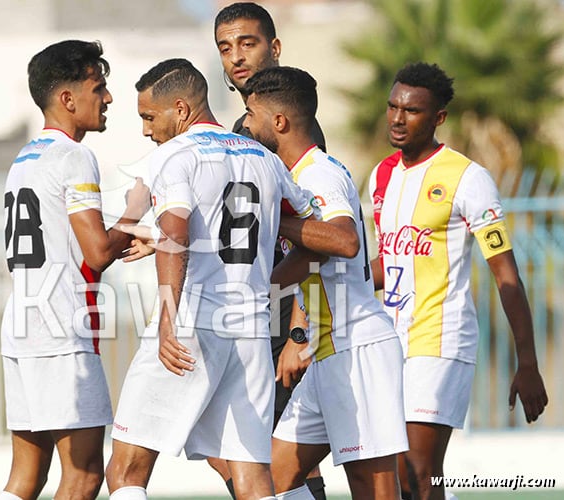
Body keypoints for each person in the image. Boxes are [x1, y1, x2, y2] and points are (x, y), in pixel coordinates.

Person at [104, 58, 315, 500]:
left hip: (192, 325)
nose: (145, 130)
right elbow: (313, 238)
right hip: (252, 332)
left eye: (148, 117)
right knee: (253, 478)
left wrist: (166, 319)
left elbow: (178, 229)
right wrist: (266, 282)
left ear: (180, 109)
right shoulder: (265, 157)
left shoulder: (174, 155)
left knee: (126, 471)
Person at [369, 62, 549, 500]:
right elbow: (388, 259)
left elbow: (506, 274)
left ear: (438, 118)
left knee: (418, 470)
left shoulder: (469, 179)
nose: (396, 118)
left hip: (442, 339)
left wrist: (527, 362)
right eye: (392, 106)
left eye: (410, 111)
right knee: (397, 477)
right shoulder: (381, 175)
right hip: (389, 342)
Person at [242, 66, 407, 499]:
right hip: (326, 351)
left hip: (358, 351)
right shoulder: (292, 179)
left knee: (373, 490)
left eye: (250, 113)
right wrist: (264, 287)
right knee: (274, 479)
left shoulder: (318, 174)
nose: (245, 123)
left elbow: (344, 240)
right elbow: (311, 257)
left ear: (279, 122)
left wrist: (281, 222)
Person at [0, 40, 149, 500]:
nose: (107, 99)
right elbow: (98, 251)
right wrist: (135, 210)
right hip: (60, 330)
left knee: (26, 477)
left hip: (22, 325)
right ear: (68, 99)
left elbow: (75, 244)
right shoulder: (74, 156)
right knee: (83, 476)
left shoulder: (25, 158)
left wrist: (130, 235)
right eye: (98, 87)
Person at [214, 3, 327, 497]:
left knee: (263, 462)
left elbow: (318, 233)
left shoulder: (287, 127)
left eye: (248, 43)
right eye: (225, 47)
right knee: (260, 459)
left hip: (290, 317)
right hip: (255, 315)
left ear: (274, 48)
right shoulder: (242, 130)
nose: (236, 56)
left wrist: (301, 327)